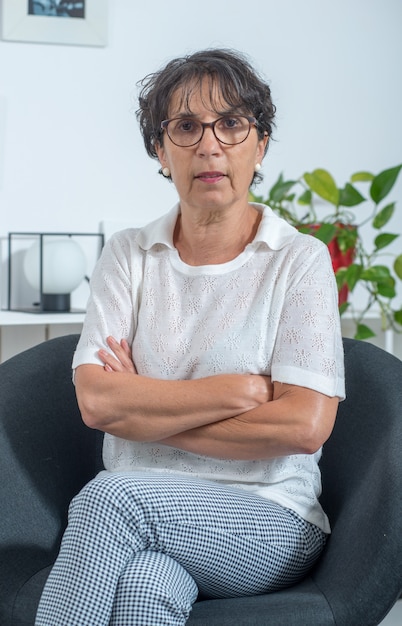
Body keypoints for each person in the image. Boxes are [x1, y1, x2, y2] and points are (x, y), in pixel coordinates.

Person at [35, 48, 345, 625]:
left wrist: (146, 413)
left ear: (261, 143)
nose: (209, 145)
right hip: (160, 525)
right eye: (185, 126)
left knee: (111, 498)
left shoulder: (298, 260)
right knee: (147, 588)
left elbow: (304, 427)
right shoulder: (129, 254)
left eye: (231, 123)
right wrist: (238, 393)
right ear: (160, 149)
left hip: (270, 518)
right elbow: (97, 401)